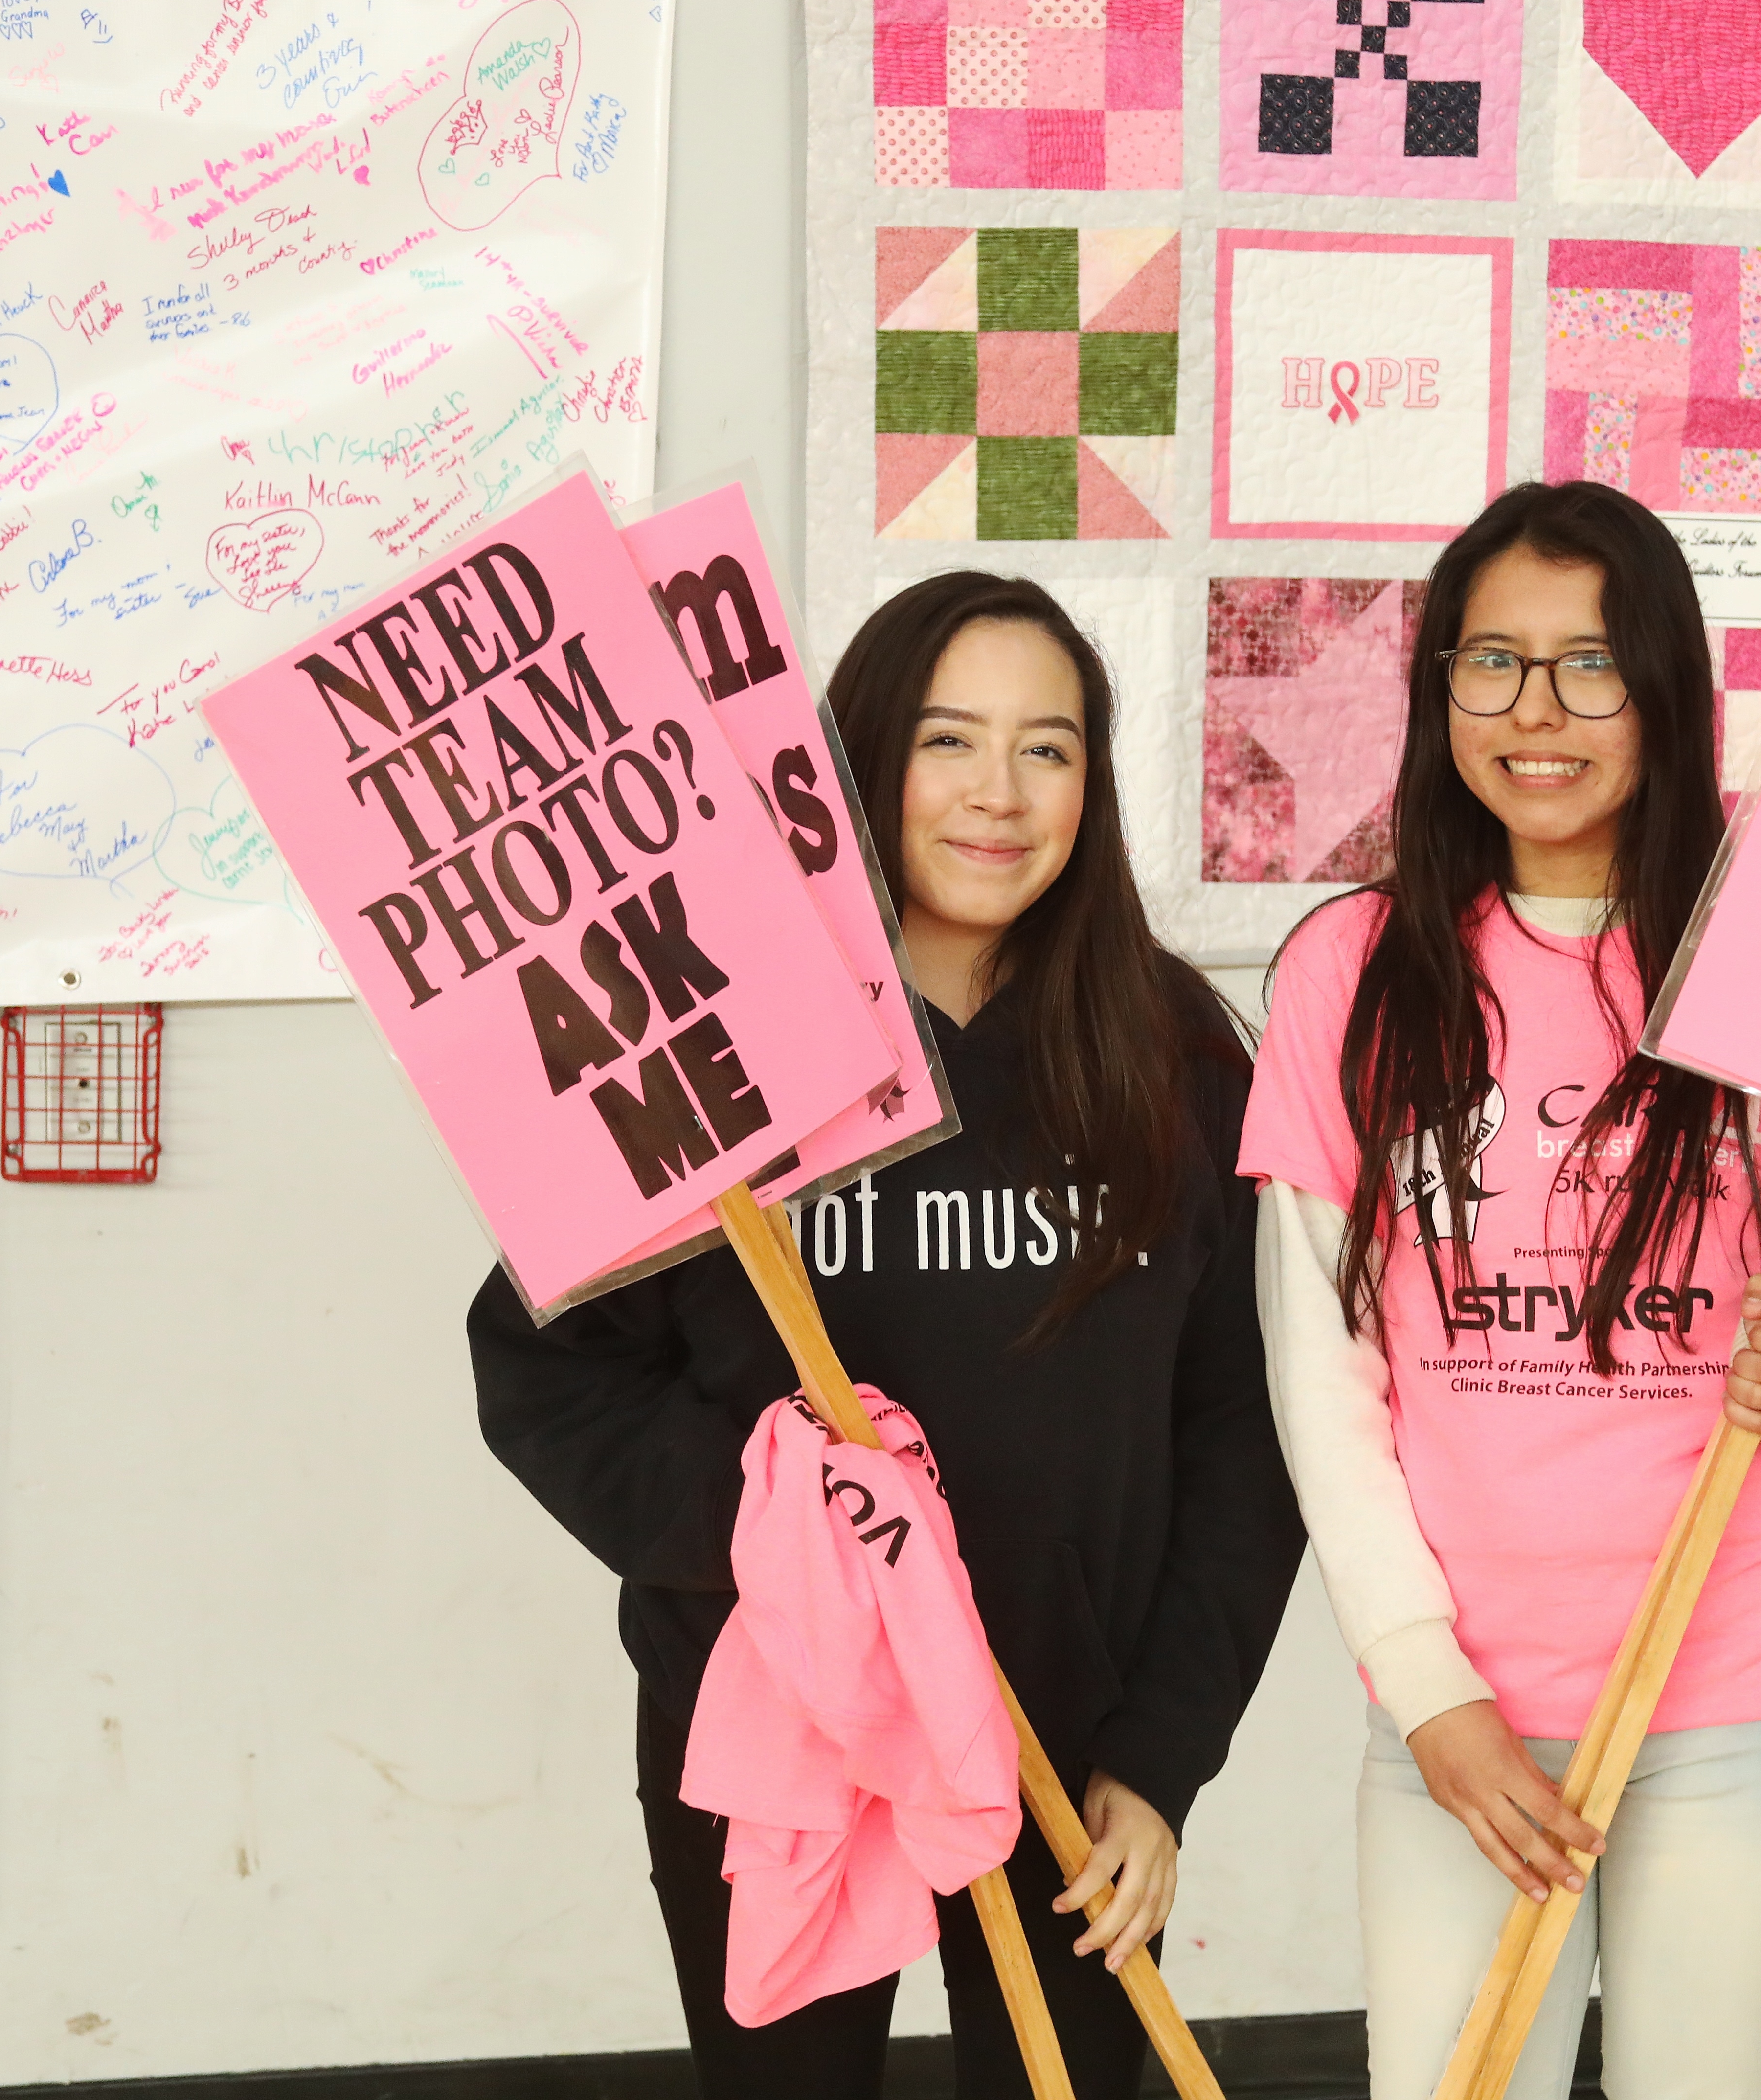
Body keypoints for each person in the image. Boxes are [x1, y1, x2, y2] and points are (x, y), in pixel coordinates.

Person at [471, 572, 1305, 2100]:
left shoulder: (1175, 1055)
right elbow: (550, 1370)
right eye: (948, 741)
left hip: (1073, 1754)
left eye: (1048, 749)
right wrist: (791, 1547)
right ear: (860, 759)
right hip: (784, 1736)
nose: (1000, 795)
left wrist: (1161, 1766)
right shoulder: (716, 1039)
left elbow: (1243, 1433)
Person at [1239, 482, 1761, 2100]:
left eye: (1592, 666)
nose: (1537, 713)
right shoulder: (1345, 973)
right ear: (1437, 694)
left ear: (1669, 689)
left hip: (1747, 1691)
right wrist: (1428, 1692)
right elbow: (1322, 1375)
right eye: (1491, 663)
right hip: (1466, 1721)